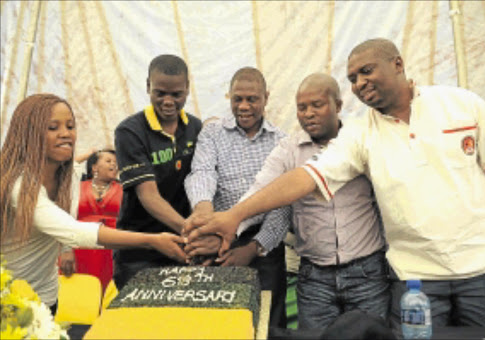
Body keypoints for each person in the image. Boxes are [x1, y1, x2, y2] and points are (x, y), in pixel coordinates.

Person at [185, 38, 485, 329]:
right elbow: (304, 178)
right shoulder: (359, 135)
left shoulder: (461, 105)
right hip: (416, 279)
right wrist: (233, 216)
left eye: (366, 71)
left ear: (398, 64)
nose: (359, 83)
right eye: (353, 77)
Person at [0, 94, 186, 313]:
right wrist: (151, 241)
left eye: (70, 126)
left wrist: (65, 250)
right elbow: (73, 230)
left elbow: (64, 221)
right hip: (9, 302)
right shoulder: (18, 185)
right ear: (28, 134)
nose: (66, 134)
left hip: (46, 299)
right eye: (52, 127)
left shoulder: (67, 177)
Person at [237, 73, 389, 329]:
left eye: (317, 105)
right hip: (315, 277)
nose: (308, 113)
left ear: (338, 106)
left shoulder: (362, 139)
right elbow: (259, 190)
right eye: (301, 107)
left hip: (367, 274)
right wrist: (228, 224)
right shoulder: (288, 150)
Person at [184, 67, 290, 327]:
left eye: (252, 99)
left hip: (265, 246)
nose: (244, 106)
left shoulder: (282, 141)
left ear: (266, 97)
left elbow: (282, 204)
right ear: (229, 97)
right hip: (217, 242)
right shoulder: (212, 133)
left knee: (267, 323)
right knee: (220, 323)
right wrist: (206, 218)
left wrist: (254, 248)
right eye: (237, 99)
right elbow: (202, 173)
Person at [113, 54, 202, 290]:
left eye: (176, 94)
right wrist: (190, 232)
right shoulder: (129, 131)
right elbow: (148, 195)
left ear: (187, 90)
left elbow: (202, 182)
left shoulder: (196, 128)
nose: (168, 101)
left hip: (182, 248)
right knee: (141, 323)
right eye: (160, 93)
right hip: (139, 251)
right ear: (147, 87)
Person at [73, 149, 122, 292]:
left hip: (112, 248)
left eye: (116, 162)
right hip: (80, 248)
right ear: (94, 167)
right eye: (108, 161)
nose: (114, 164)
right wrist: (91, 153)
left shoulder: (124, 189)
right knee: (79, 291)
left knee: (108, 290)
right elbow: (67, 166)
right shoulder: (76, 185)